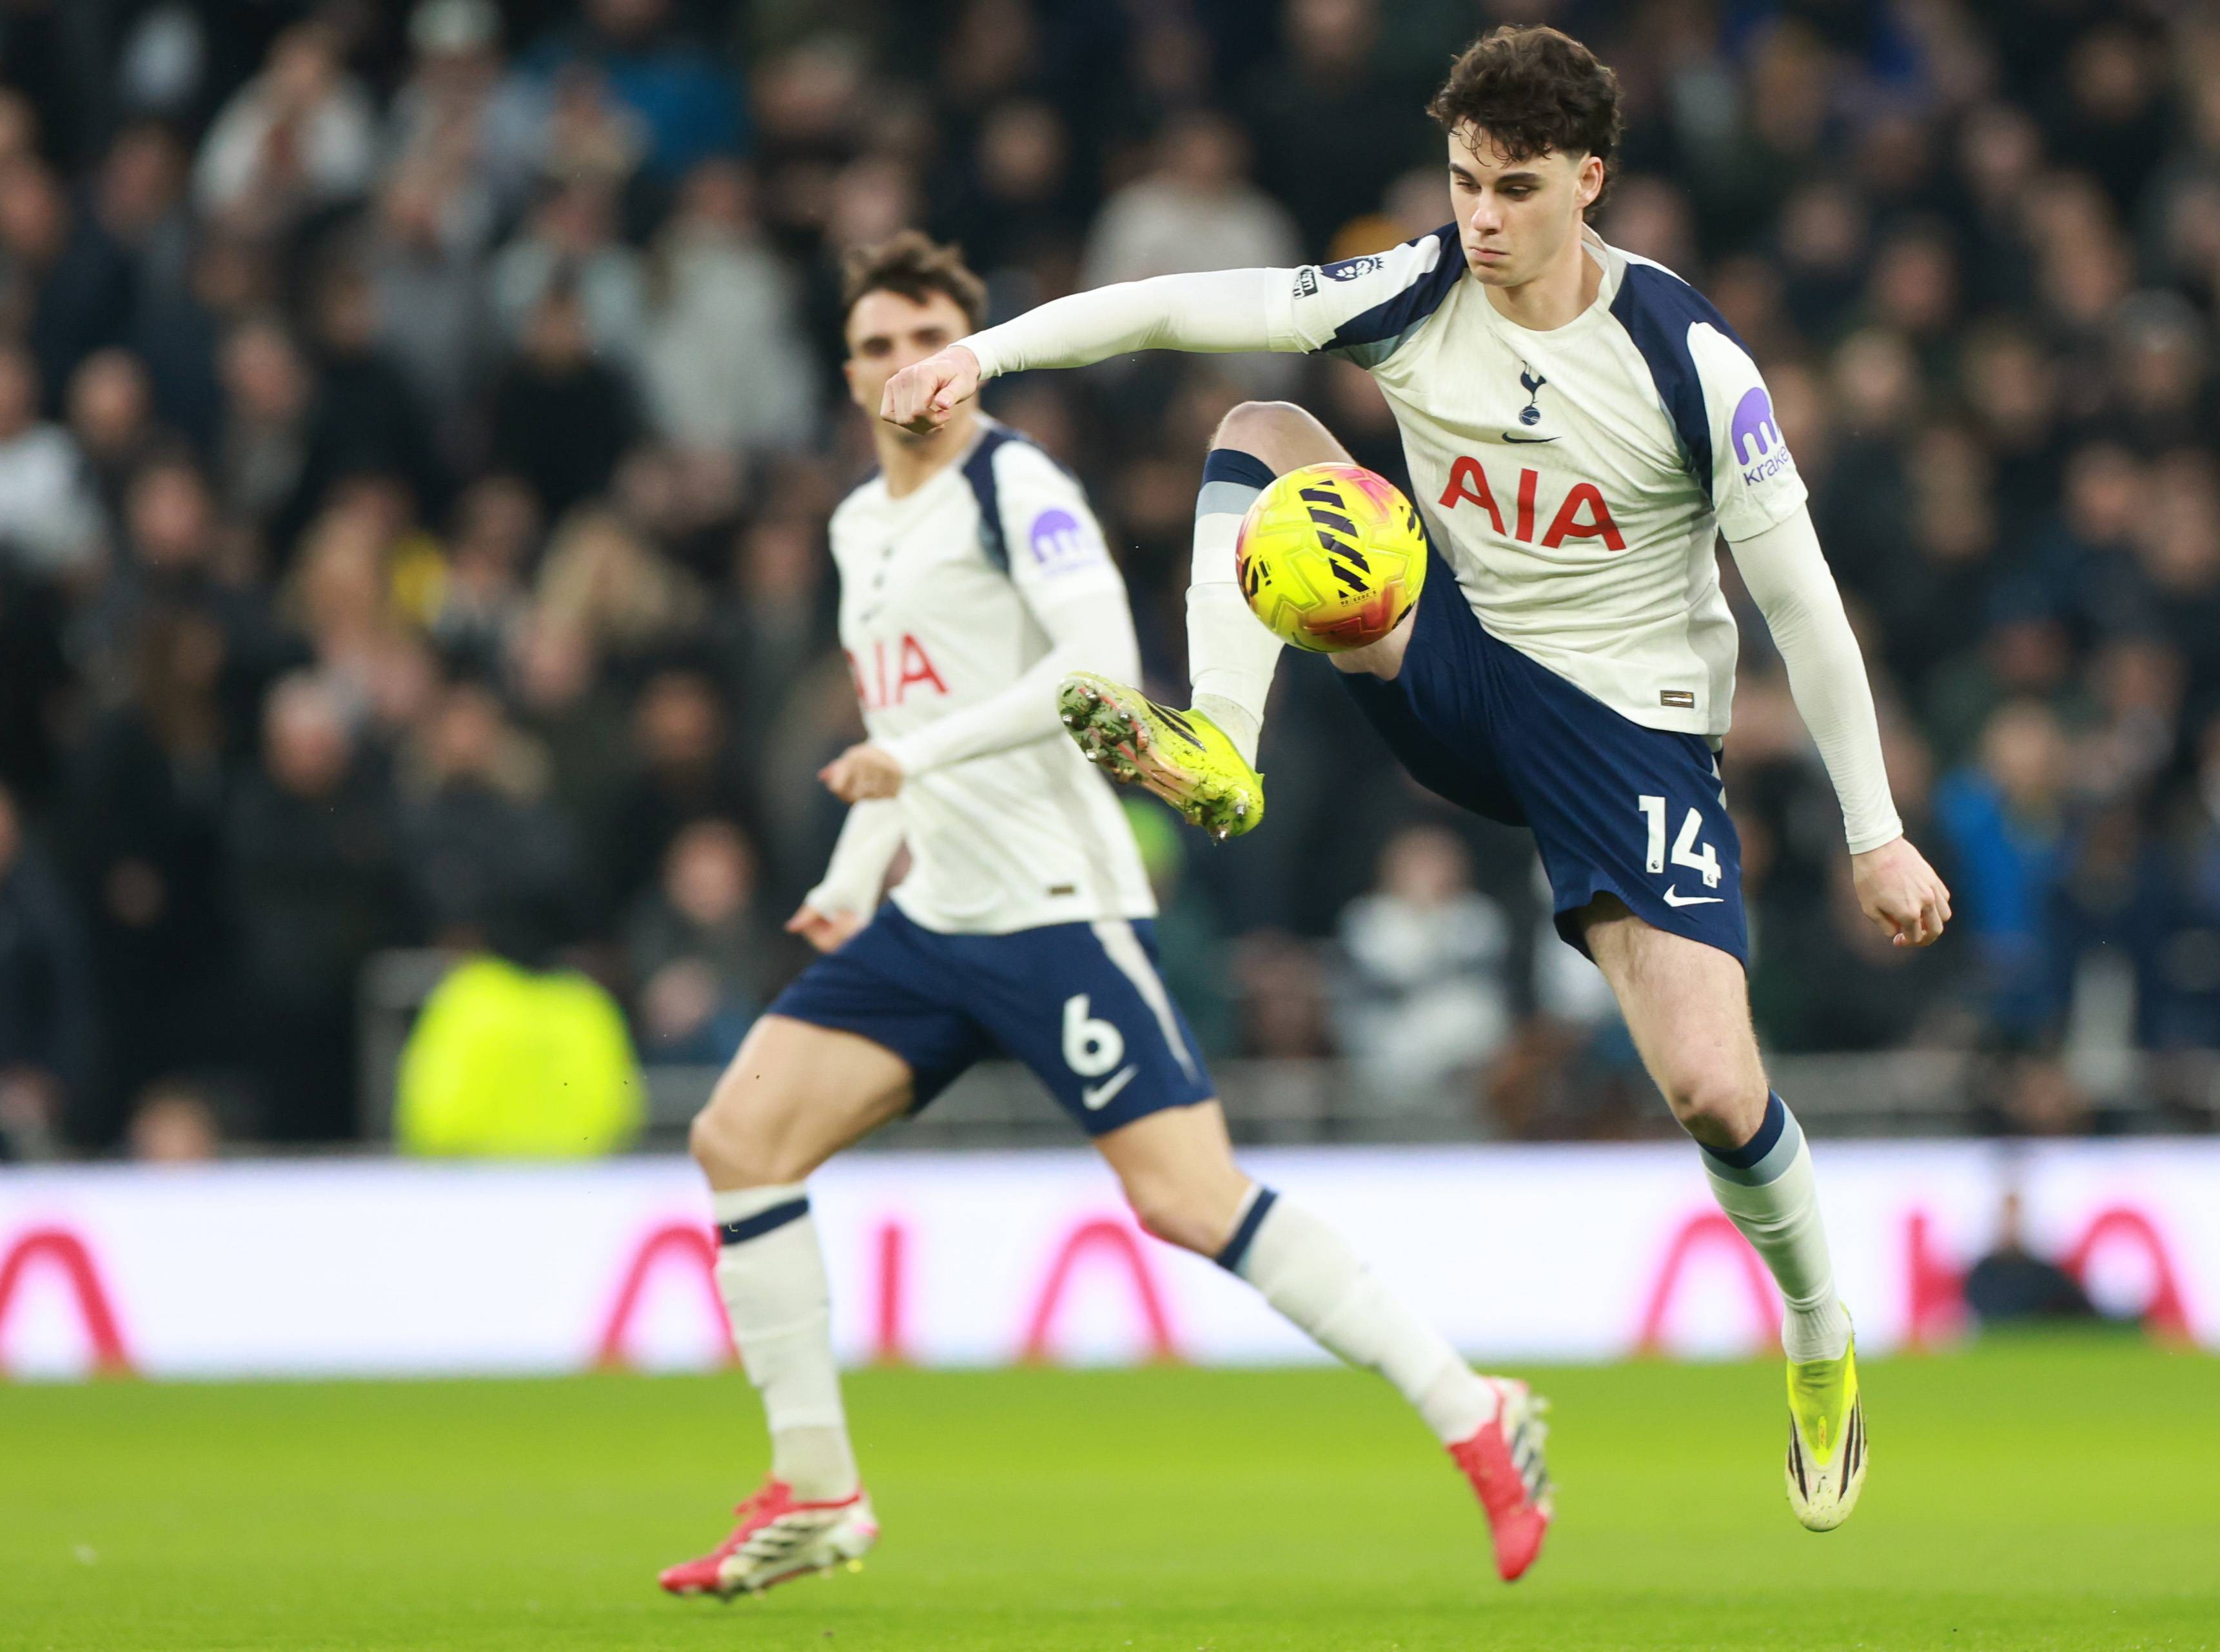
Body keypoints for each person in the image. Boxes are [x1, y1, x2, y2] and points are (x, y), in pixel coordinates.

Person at [884, 25, 1956, 1533]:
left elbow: (1807, 607)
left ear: (1589, 182)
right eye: (1464, 182)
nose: (1482, 218)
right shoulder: (1415, 288)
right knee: (1262, 431)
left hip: (1627, 732)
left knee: (1715, 1090)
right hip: (1450, 660)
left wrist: (1875, 834)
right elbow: (1190, 307)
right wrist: (980, 356)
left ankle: (1818, 1331)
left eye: (1515, 188)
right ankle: (1222, 742)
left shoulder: (1690, 360)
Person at [659, 233, 1551, 1602]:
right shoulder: (858, 528)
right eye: (880, 346)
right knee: (739, 1141)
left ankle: (1471, 1408)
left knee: (1190, 1200)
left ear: (966, 359)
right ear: (849, 374)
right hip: (934, 917)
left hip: (1056, 913)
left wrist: (915, 759)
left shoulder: (1017, 490)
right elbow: (901, 723)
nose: (908, 367)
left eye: (930, 342)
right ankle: (820, 1489)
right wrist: (851, 875)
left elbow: (1098, 668)